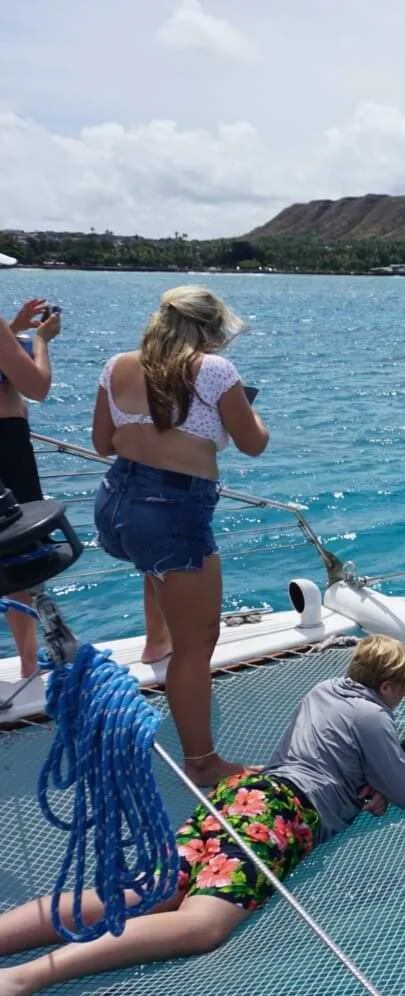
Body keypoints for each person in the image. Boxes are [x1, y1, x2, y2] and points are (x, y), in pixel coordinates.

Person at [0, 634, 405, 996]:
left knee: (154, 889)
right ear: (387, 686)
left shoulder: (323, 690)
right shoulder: (374, 715)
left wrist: (361, 786)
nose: (397, 704)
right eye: (400, 694)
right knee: (200, 925)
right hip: (281, 815)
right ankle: (22, 979)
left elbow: (323, 758)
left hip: (247, 793)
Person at [92, 286, 269, 786]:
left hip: (116, 504)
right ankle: (203, 762)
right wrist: (241, 417)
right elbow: (253, 443)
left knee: (157, 568)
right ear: (209, 329)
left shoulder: (117, 365)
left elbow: (102, 443)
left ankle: (154, 644)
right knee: (199, 643)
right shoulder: (214, 371)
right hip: (173, 510)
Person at [1, 299, 61, 678]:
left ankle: (28, 661)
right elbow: (37, 386)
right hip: (6, 446)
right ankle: (28, 664)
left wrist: (15, 328)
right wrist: (41, 338)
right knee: (19, 554)